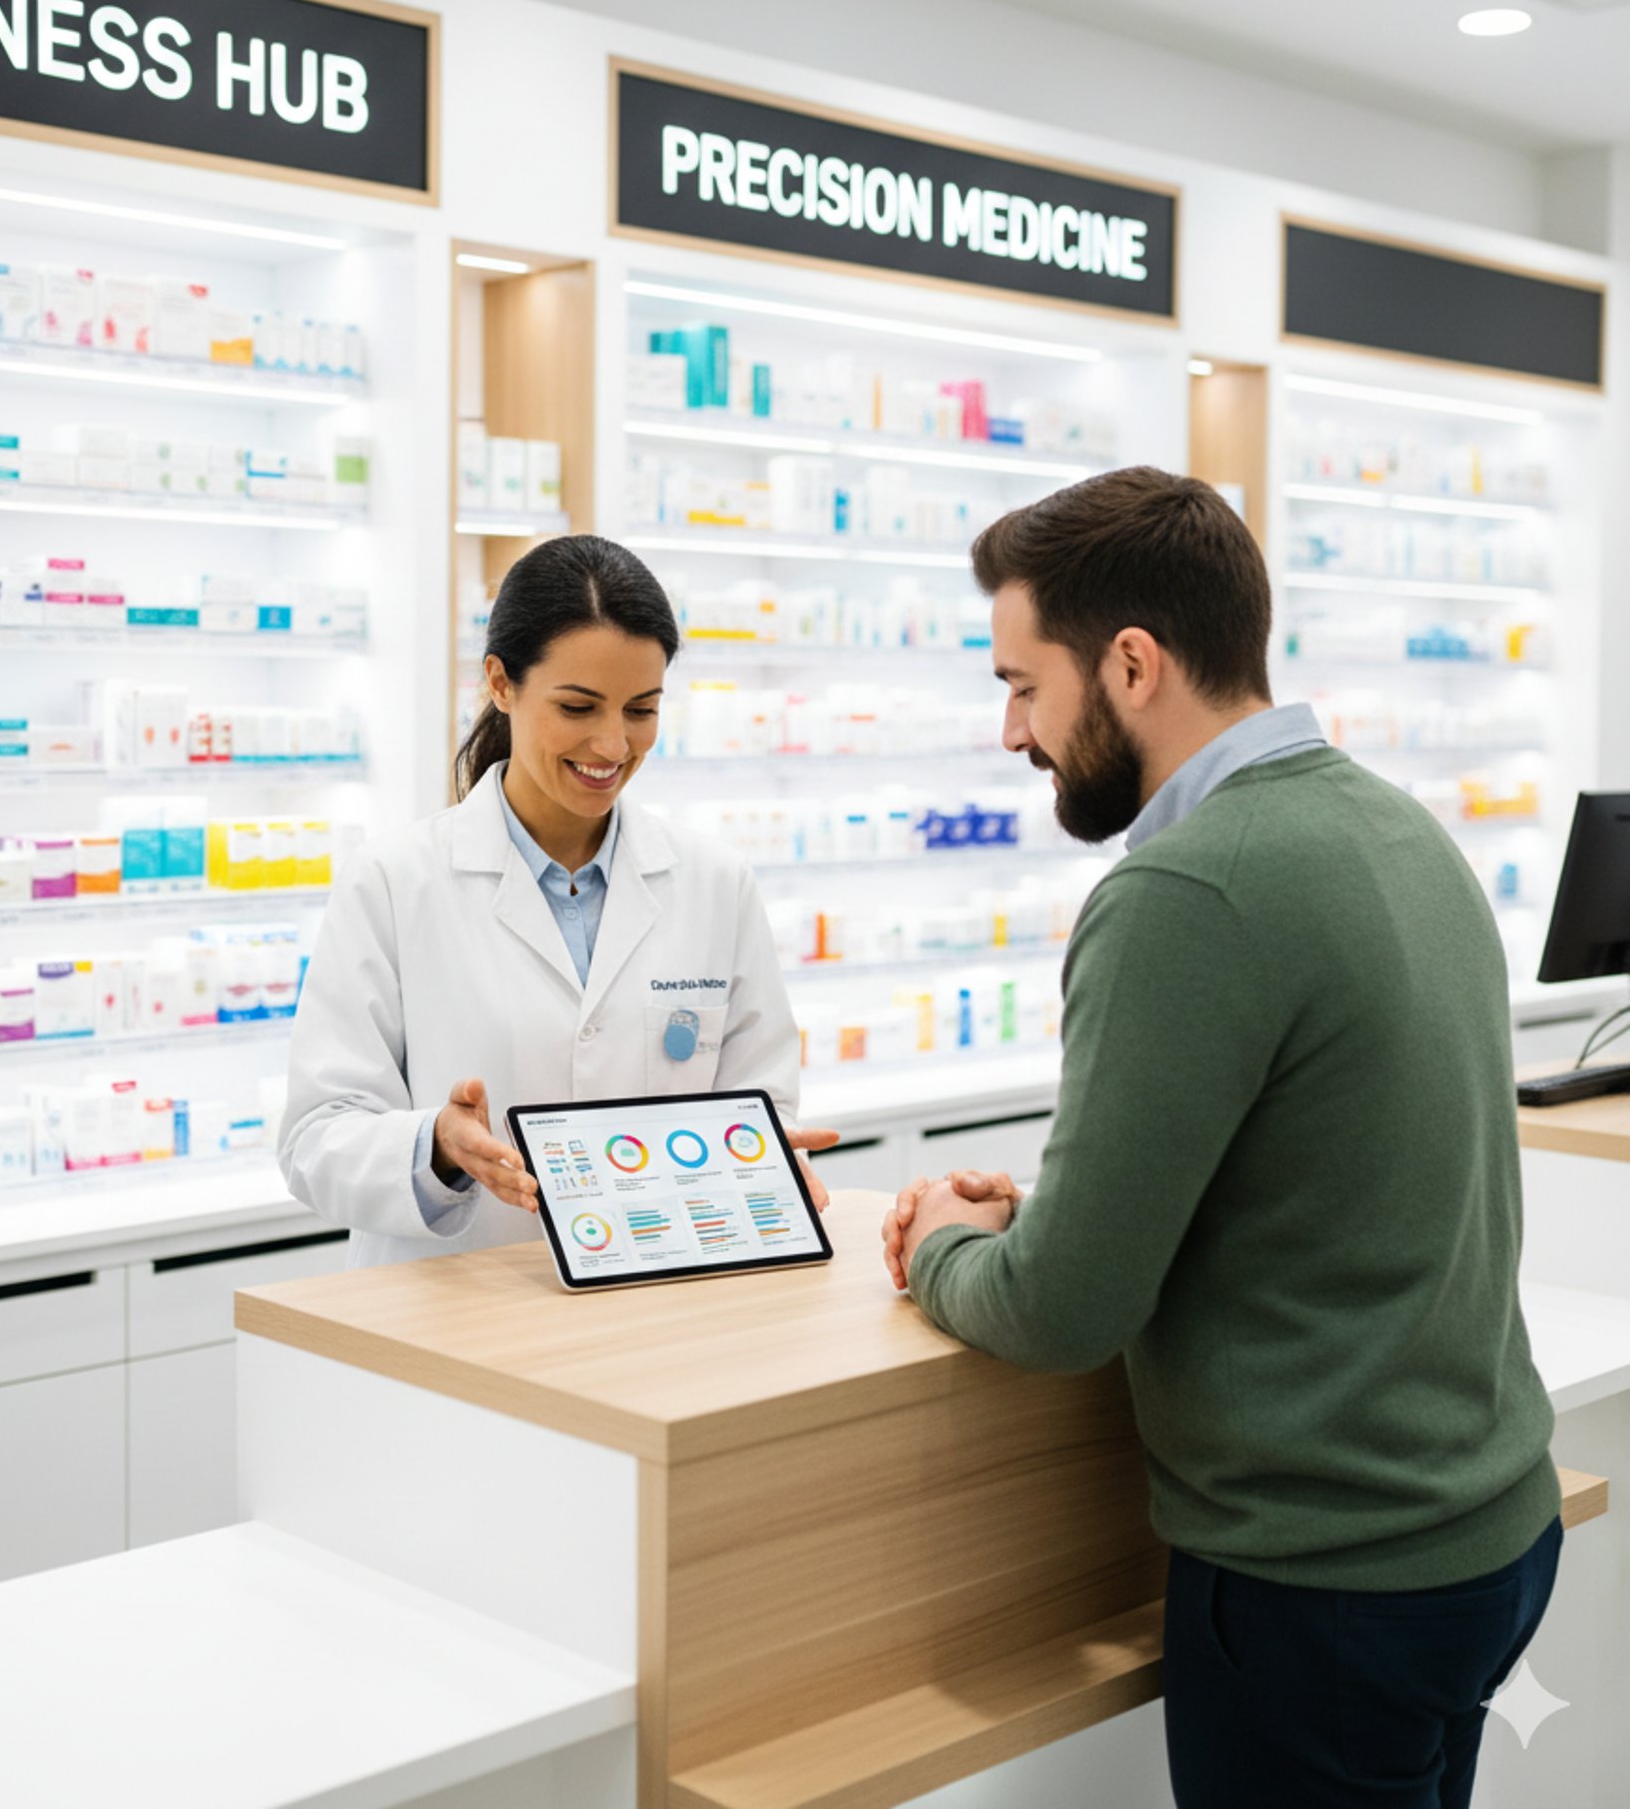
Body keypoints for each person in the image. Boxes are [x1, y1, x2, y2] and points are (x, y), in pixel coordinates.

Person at [881, 468, 1560, 1809]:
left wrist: (949, 1251)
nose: (1013, 731)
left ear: (1130, 664)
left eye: (1026, 685)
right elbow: (1308, 1176)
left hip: (1325, 1583)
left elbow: (1066, 1312)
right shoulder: (1397, 827)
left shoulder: (1187, 889)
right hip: (1483, 1537)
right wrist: (1061, 1207)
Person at [281, 534, 831, 1269]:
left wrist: (759, 1166)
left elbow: (760, 1103)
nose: (612, 744)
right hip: (451, 1320)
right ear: (501, 684)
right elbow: (316, 1138)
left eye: (642, 709)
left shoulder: (714, 883)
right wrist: (436, 1149)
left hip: (658, 1304)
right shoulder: (393, 882)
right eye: (578, 706)